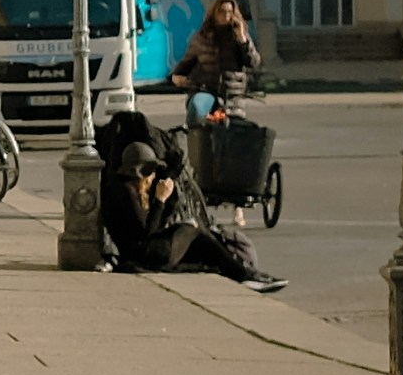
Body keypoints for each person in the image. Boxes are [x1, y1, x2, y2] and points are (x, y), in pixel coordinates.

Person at [96, 108, 285, 290]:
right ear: (141, 172)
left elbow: (156, 225)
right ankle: (244, 276)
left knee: (198, 239)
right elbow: (147, 233)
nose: (153, 176)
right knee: (192, 231)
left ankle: (243, 273)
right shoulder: (125, 192)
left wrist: (167, 201)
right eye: (151, 171)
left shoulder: (133, 189)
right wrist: (160, 201)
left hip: (147, 251)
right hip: (142, 255)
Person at [175, 0, 259, 120]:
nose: (226, 16)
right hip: (206, 90)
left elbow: (253, 62)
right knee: (197, 109)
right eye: (222, 12)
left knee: (231, 125)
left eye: (229, 12)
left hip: (231, 96)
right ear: (214, 13)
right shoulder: (203, 36)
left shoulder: (239, 35)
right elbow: (187, 62)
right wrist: (178, 77)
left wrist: (243, 41)